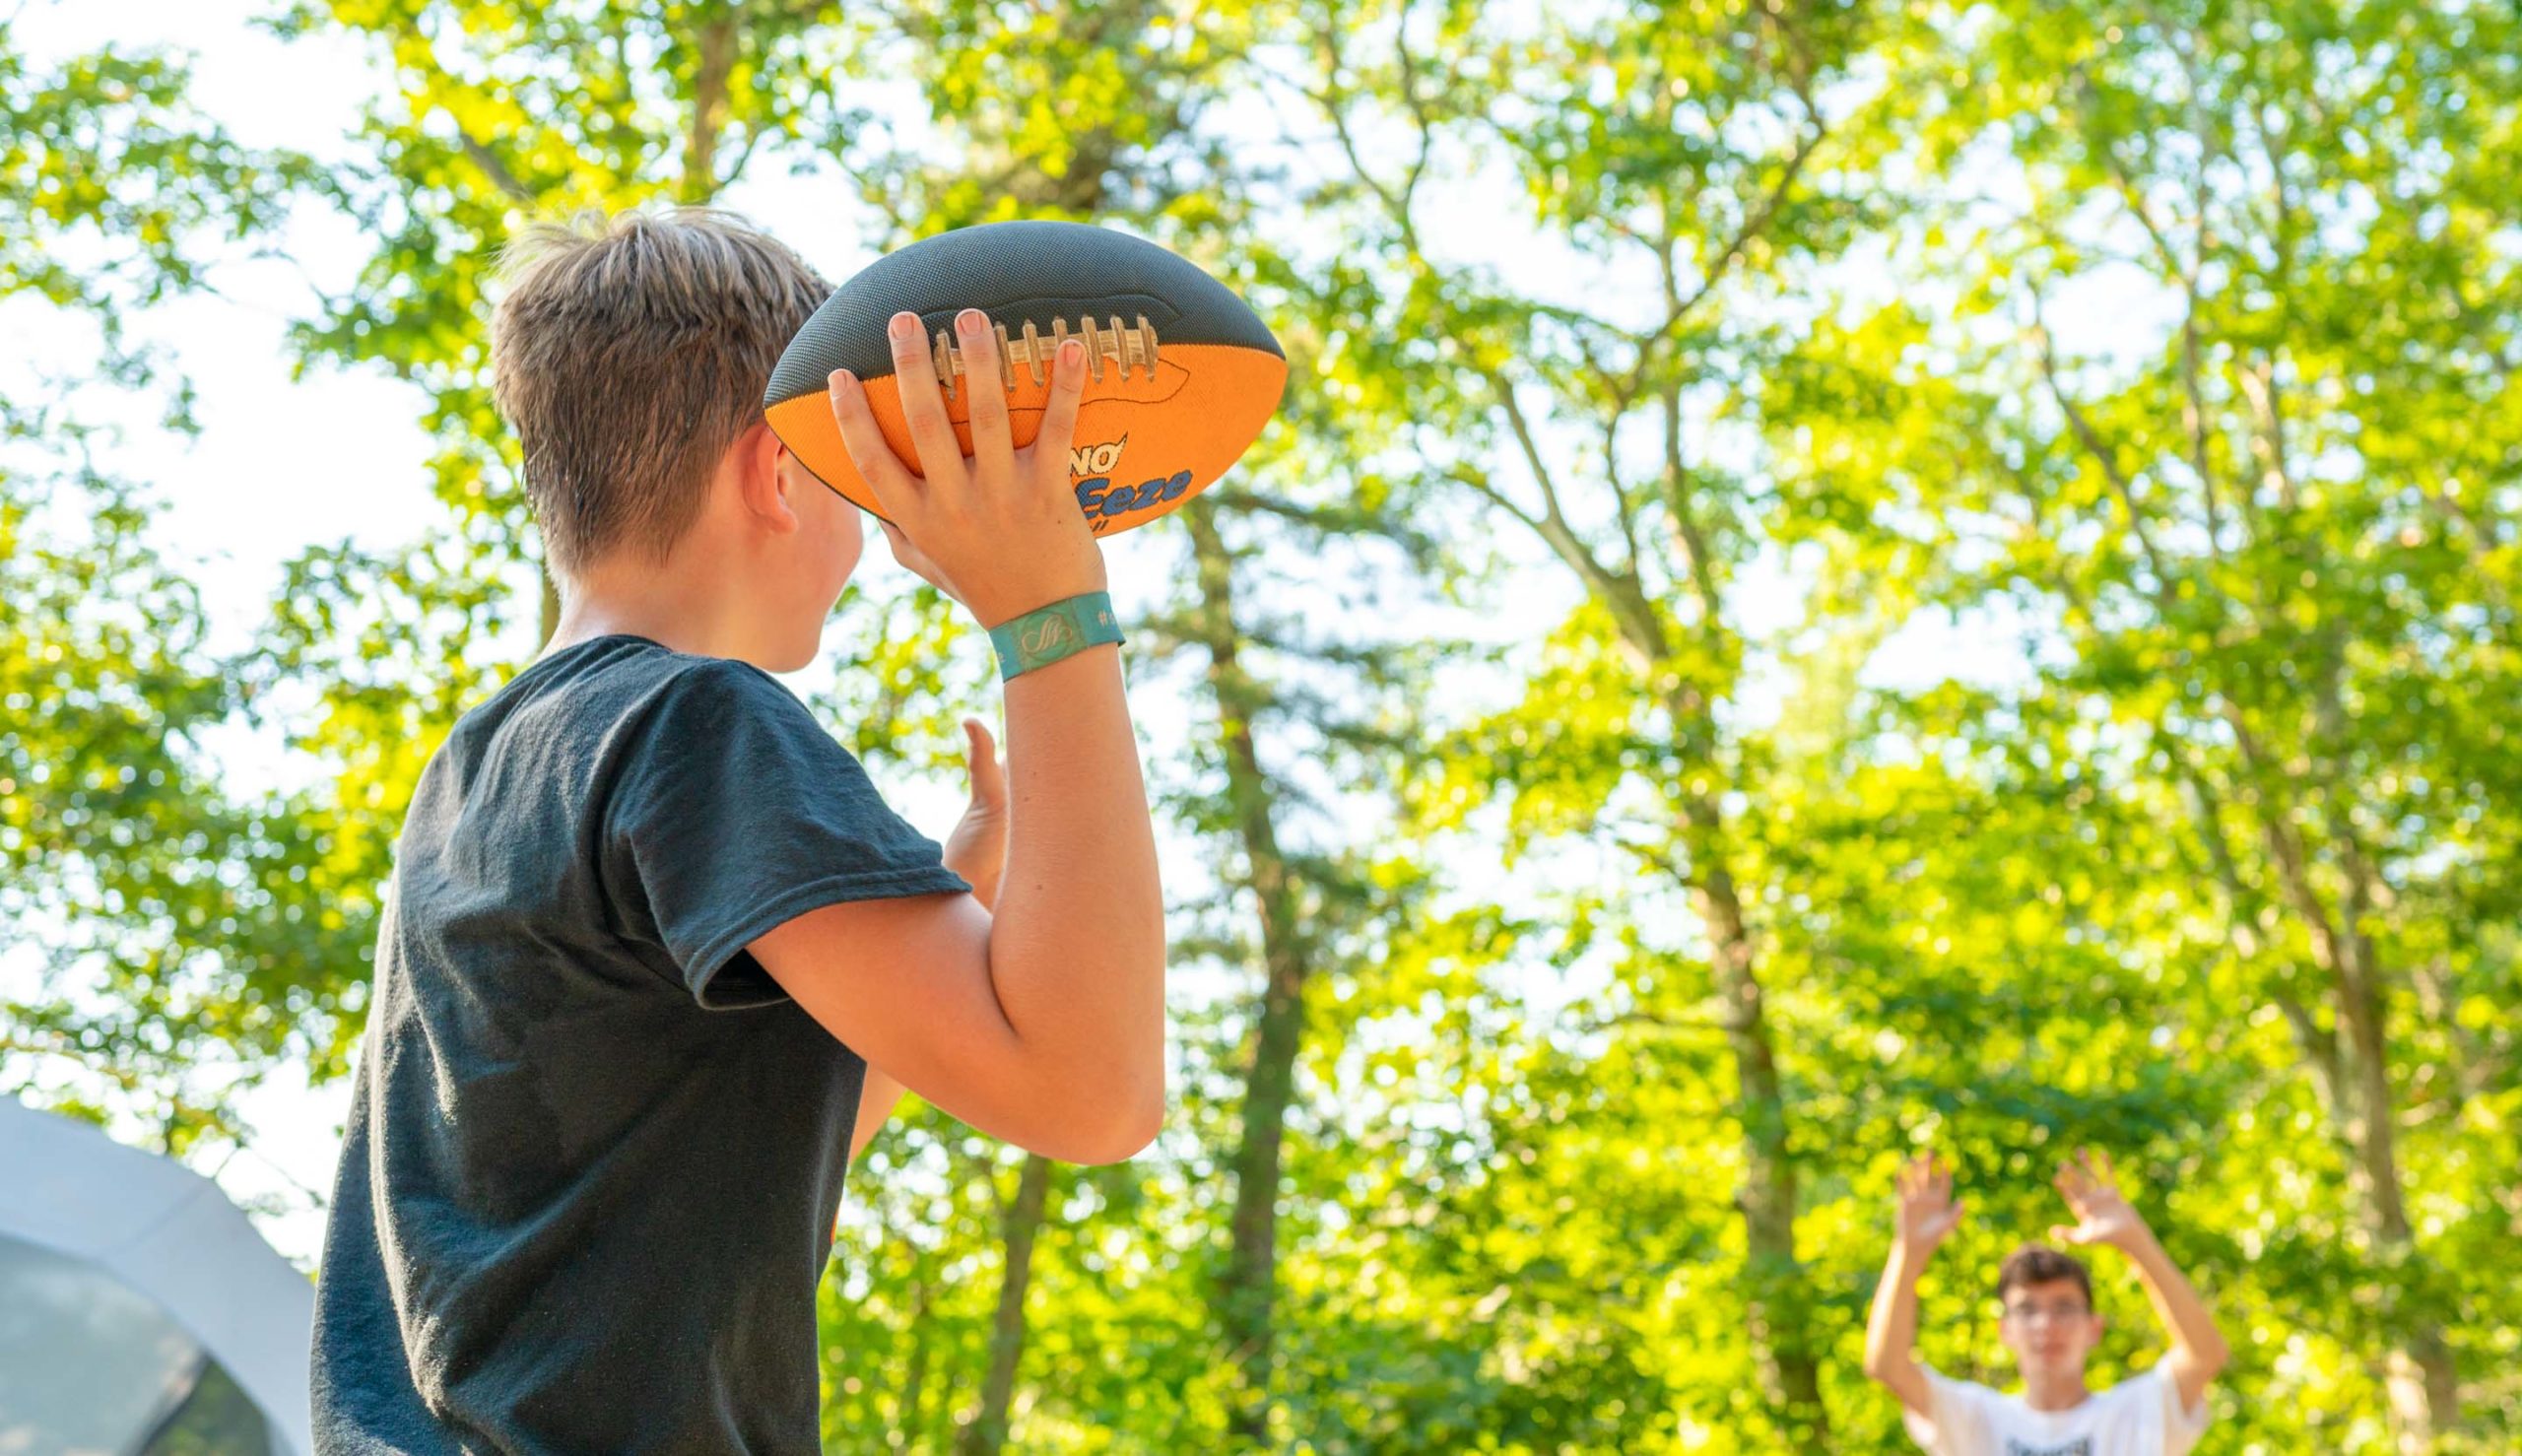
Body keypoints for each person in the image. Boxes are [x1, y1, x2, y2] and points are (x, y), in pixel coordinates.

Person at [308, 208, 1166, 1453]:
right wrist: (1052, 610)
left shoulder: (476, 771)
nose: (867, 535)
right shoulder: (697, 721)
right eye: (852, 484)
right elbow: (1094, 1094)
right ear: (777, 472)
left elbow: (740, 1165)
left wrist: (952, 887)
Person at [1863, 1150, 2230, 1456]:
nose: (2046, 1324)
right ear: (2004, 1330)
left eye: (2064, 1308)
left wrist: (2136, 1242)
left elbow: (2205, 1356)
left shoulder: (2137, 1413)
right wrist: (1908, 1253)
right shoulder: (1973, 1416)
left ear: (2094, 1328)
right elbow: (1887, 1366)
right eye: (2027, 1310)